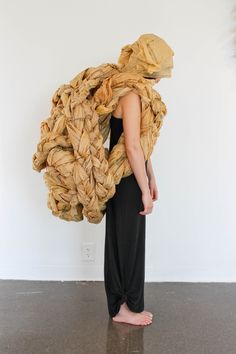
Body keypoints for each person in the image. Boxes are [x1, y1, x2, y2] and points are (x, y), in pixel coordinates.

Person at [104, 75, 165, 326]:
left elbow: (142, 144)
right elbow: (131, 147)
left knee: (131, 241)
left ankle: (128, 305)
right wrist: (142, 189)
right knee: (124, 243)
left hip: (133, 176)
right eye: (159, 71)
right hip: (125, 180)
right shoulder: (130, 95)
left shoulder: (138, 94)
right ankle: (121, 308)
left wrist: (151, 177)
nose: (161, 77)